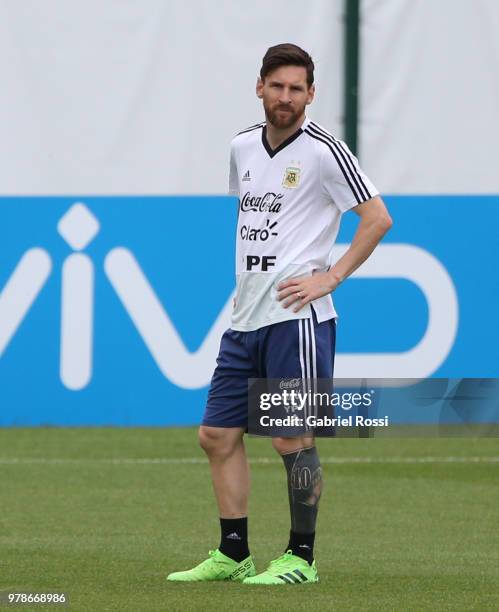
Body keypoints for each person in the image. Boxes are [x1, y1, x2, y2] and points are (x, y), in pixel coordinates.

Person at [167, 43, 392, 585]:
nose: (286, 97)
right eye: (278, 86)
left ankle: (301, 558)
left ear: (311, 94)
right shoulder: (242, 147)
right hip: (246, 317)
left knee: (292, 438)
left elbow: (377, 219)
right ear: (260, 87)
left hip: (296, 318)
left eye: (297, 88)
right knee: (217, 436)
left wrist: (330, 276)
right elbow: (254, 221)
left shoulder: (325, 151)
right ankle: (233, 552)